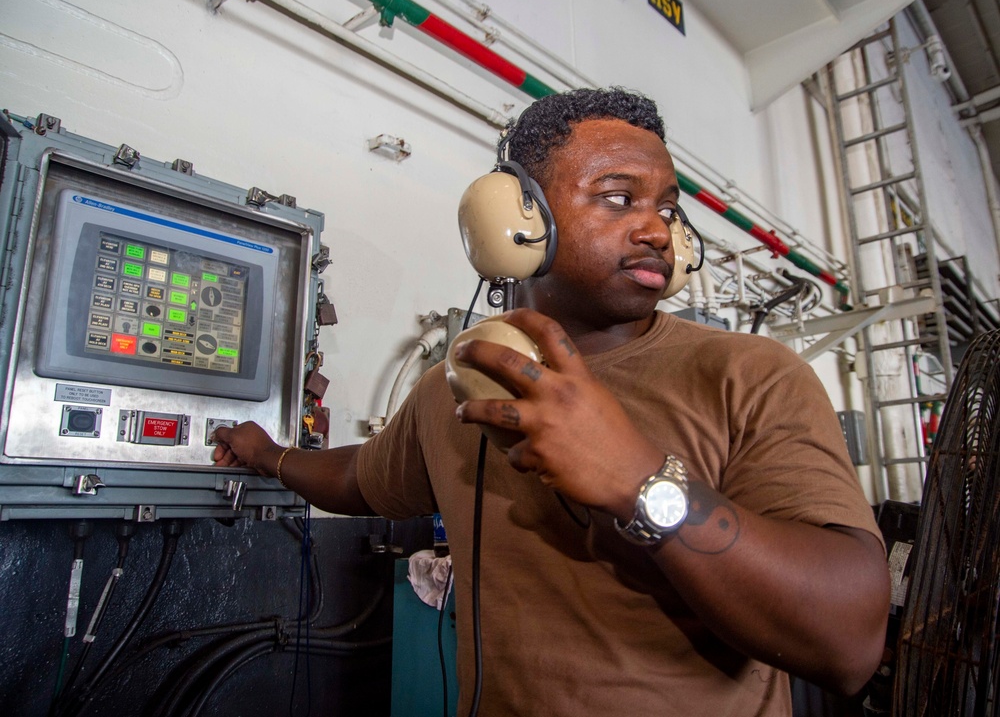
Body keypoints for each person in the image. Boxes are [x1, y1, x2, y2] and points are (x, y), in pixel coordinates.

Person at [213, 87, 890, 716]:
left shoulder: (750, 373)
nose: (658, 229)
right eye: (619, 197)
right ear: (515, 217)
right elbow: (359, 478)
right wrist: (269, 455)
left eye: (668, 208)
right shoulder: (458, 382)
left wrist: (641, 482)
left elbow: (849, 643)